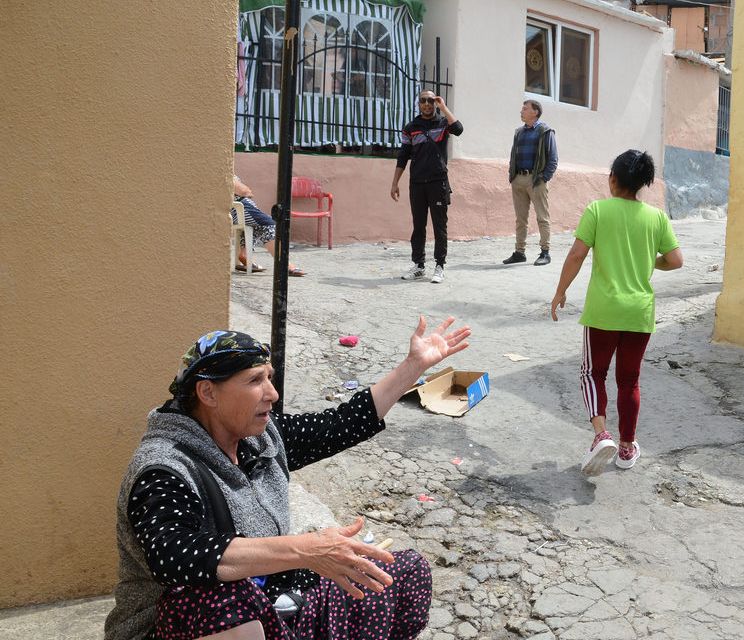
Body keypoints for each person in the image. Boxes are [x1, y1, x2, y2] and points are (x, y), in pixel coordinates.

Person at [104, 316, 470, 640]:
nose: (272, 393)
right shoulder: (163, 468)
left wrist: (412, 366)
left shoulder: (259, 438)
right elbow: (175, 556)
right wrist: (306, 550)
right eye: (254, 381)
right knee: (221, 599)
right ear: (207, 392)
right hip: (187, 624)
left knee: (402, 574)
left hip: (274, 603)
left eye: (270, 379)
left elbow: (339, 424)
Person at [550, 150, 683, 475]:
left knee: (592, 374)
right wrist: (651, 261)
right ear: (642, 184)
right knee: (629, 380)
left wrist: (560, 291)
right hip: (639, 313)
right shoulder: (656, 218)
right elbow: (676, 260)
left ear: (613, 180)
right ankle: (626, 447)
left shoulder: (598, 210)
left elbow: (577, 254)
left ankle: (601, 435)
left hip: (603, 311)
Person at [390, 90, 463, 284]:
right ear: (418, 104)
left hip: (438, 182)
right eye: (423, 101)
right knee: (418, 226)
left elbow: (459, 128)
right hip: (417, 183)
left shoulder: (442, 123)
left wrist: (444, 107)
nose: (427, 104)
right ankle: (419, 266)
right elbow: (403, 156)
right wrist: (395, 182)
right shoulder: (411, 127)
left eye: (431, 101)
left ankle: (439, 266)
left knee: (440, 226)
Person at [502, 100, 558, 266]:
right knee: (520, 219)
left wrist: (543, 177)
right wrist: (512, 176)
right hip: (518, 179)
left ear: (535, 112)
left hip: (536, 180)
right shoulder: (519, 132)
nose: (521, 111)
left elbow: (553, 159)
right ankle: (520, 252)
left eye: (525, 109)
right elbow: (514, 155)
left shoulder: (545, 131)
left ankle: (545, 252)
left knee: (542, 217)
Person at [232, 175, 305, 277]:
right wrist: (247, 191)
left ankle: (245, 254)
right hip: (240, 208)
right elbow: (244, 191)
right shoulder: (225, 170)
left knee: (256, 224)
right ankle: (284, 264)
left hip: (240, 209)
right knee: (271, 224)